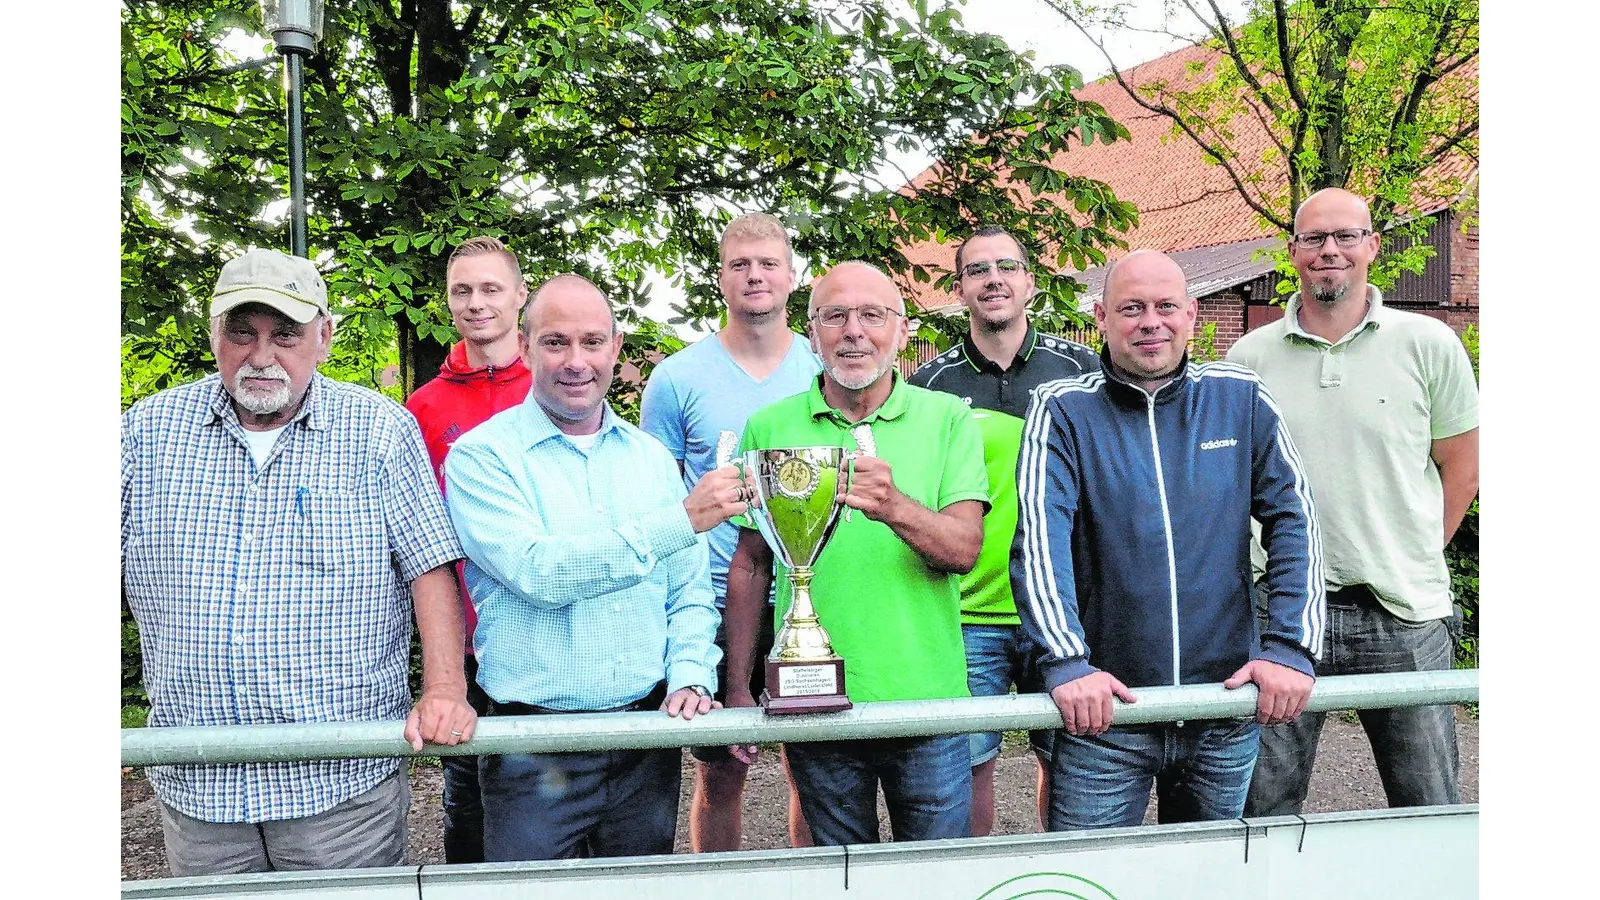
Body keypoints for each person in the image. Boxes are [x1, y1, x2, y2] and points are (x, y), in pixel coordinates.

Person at [121, 248, 475, 876]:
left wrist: (444, 688)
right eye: (242, 332)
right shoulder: (145, 432)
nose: (262, 356)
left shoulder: (377, 429)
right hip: (200, 783)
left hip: (340, 784)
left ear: (324, 337)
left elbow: (430, 566)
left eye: (285, 334)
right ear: (213, 335)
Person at [1011, 249, 1325, 830]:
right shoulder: (1062, 410)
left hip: (1223, 709)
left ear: (1192, 314)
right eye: (1131, 308)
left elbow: (1294, 517)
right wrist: (1067, 661)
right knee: (1094, 882)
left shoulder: (1241, 397)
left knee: (1211, 882)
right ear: (1101, 318)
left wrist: (1289, 649)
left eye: (1164, 307)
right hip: (1104, 718)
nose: (1150, 322)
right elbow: (1038, 538)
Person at [443, 274, 746, 861]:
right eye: (556, 342)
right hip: (531, 744)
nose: (576, 361)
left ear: (615, 347)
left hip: (642, 742)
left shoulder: (651, 459)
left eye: (592, 342)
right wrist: (678, 521)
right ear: (525, 348)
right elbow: (540, 573)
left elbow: (686, 592)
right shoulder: (482, 457)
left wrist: (689, 672)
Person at [1231, 188, 1479, 815]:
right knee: (1264, 810)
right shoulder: (1247, 358)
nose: (1329, 250)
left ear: (1372, 245)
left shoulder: (1429, 344)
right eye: (1314, 239)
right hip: (1285, 612)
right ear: (1292, 253)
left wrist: (1414, 549)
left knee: (1427, 805)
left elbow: (1463, 467)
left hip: (1403, 612)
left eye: (1345, 236)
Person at [724, 261, 989, 845]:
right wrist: (738, 685)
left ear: (901, 329)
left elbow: (965, 549)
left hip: (928, 700)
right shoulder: (769, 426)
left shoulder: (947, 419)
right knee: (842, 873)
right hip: (813, 698)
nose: (854, 331)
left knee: (936, 875)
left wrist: (894, 506)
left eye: (872, 315)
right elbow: (751, 563)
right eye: (835, 316)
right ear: (811, 331)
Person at [907, 225, 1099, 836]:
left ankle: (1056, 878)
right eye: (977, 270)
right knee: (967, 768)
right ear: (959, 288)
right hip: (967, 615)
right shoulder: (928, 387)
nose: (993, 280)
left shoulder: (1083, 371)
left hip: (1063, 610)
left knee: (1071, 762)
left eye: (1007, 268)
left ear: (1030, 283)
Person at [640, 213, 818, 852]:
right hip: (712, 597)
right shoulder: (677, 379)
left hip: (815, 599)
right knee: (722, 767)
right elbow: (653, 491)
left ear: (792, 276)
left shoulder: (824, 365)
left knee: (814, 767)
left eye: (769, 263)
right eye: (741, 264)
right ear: (721, 278)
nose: (756, 276)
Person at [404, 236, 532, 864]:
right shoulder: (423, 408)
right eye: (463, 291)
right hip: (466, 638)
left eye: (490, 289)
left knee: (548, 791)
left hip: (546, 631)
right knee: (469, 797)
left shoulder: (559, 388)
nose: (477, 303)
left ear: (519, 296)